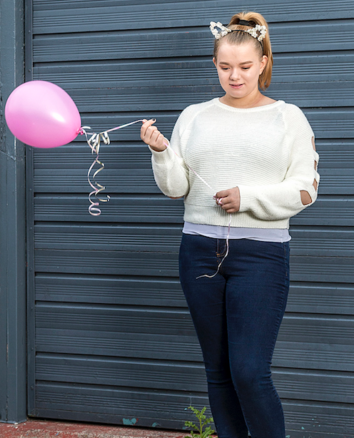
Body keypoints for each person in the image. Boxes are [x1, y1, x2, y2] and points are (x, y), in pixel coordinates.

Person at [139, 11, 319, 438]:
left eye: (243, 67)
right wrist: (161, 153)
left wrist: (249, 198)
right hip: (198, 250)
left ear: (262, 63)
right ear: (215, 65)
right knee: (218, 372)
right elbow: (176, 189)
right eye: (224, 67)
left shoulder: (287, 117)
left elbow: (306, 189)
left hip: (261, 256)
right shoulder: (194, 116)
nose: (234, 76)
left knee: (250, 372)